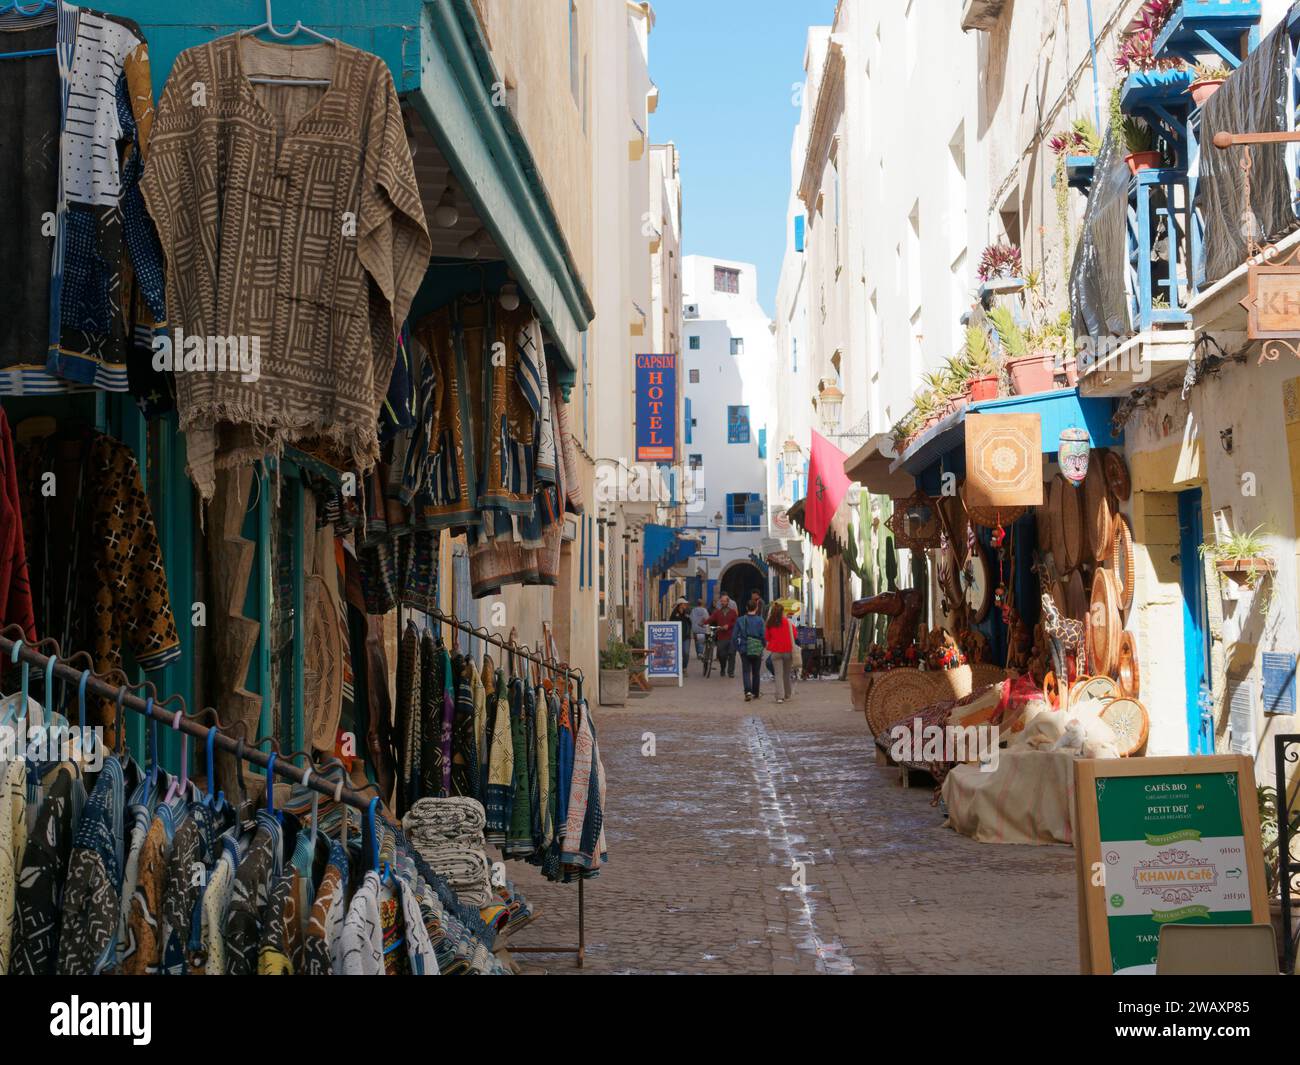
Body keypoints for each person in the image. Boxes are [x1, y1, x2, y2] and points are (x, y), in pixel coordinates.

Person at [733, 600, 767, 702]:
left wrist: (738, 648)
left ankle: (747, 692)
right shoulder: (760, 620)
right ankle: (755, 693)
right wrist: (763, 646)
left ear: (747, 608)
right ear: (756, 608)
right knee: (756, 672)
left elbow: (734, 637)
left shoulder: (740, 620)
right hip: (757, 648)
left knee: (746, 671)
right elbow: (763, 636)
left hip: (744, 648)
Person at [765, 602, 796, 704]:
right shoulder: (787, 622)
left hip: (776, 651)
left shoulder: (770, 623)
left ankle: (780, 697)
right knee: (786, 674)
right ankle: (787, 694)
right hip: (788, 651)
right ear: (782, 612)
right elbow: (795, 635)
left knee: (778, 674)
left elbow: (767, 637)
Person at [706, 595, 739, 678]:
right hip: (721, 637)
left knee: (732, 654)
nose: (723, 602)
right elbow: (711, 619)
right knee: (721, 655)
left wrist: (729, 625)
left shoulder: (733, 612)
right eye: (722, 601)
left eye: (724, 601)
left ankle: (731, 672)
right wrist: (703, 622)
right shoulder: (717, 612)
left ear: (728, 602)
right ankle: (723, 668)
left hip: (731, 637)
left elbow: (736, 622)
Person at [668, 597, 692, 673]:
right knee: (678, 653)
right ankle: (677, 668)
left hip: (686, 636)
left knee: (686, 653)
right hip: (677, 636)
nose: (686, 605)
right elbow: (671, 624)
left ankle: (684, 668)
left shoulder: (687, 612)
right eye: (684, 604)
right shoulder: (674, 613)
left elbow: (690, 622)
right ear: (680, 605)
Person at [689, 598, 710, 663]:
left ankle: (698, 653)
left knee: (696, 641)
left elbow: (691, 618)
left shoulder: (693, 610)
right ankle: (700, 653)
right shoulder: (704, 610)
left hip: (695, 628)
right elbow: (707, 619)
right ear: (702, 604)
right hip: (702, 628)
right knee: (701, 641)